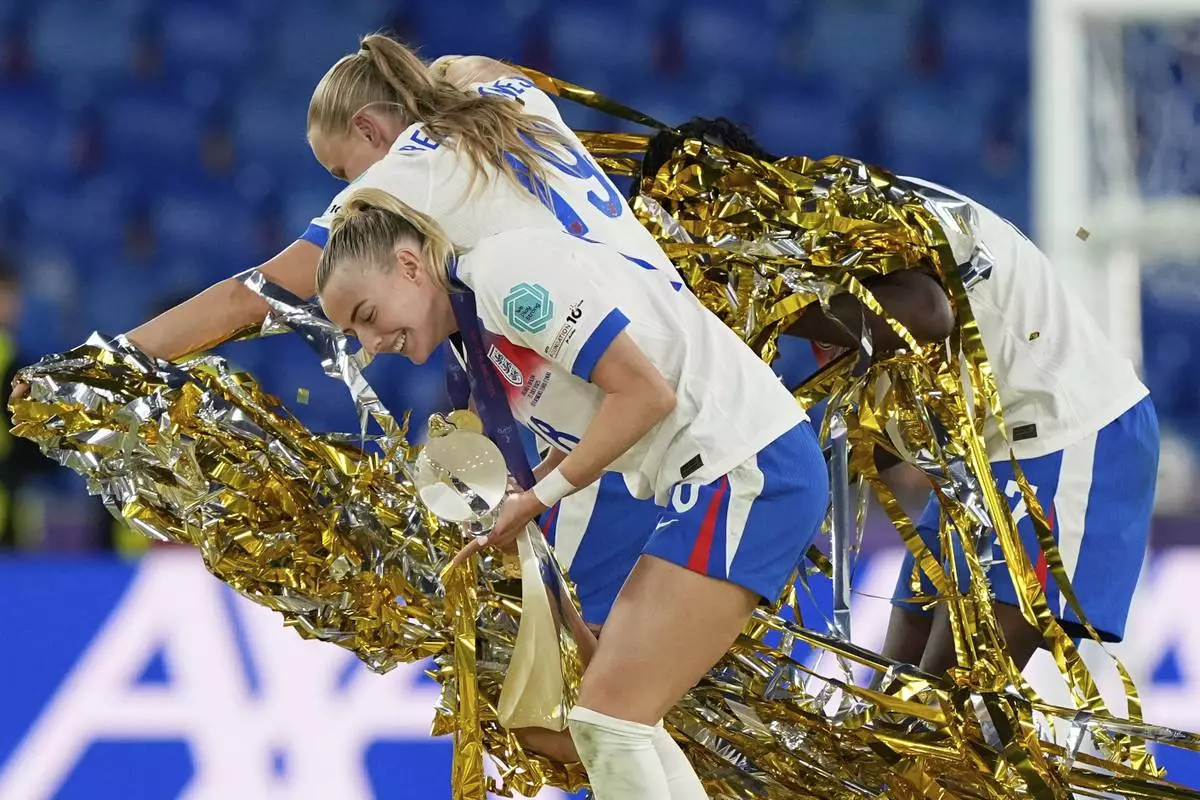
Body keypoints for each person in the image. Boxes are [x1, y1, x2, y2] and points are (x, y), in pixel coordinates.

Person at [315, 187, 830, 800]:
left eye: (367, 316)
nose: (371, 345)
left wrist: (535, 500)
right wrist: (521, 499)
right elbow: (592, 424)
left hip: (746, 466)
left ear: (408, 265)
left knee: (608, 722)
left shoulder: (506, 278)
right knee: (620, 721)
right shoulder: (474, 325)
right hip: (719, 472)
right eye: (354, 334)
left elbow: (645, 395)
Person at [634, 118, 1159, 677]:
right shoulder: (793, 242)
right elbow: (880, 395)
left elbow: (927, 314)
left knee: (953, 700)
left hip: (1065, 435)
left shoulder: (841, 214)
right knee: (899, 691)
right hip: (983, 457)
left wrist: (775, 316)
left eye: (685, 218)